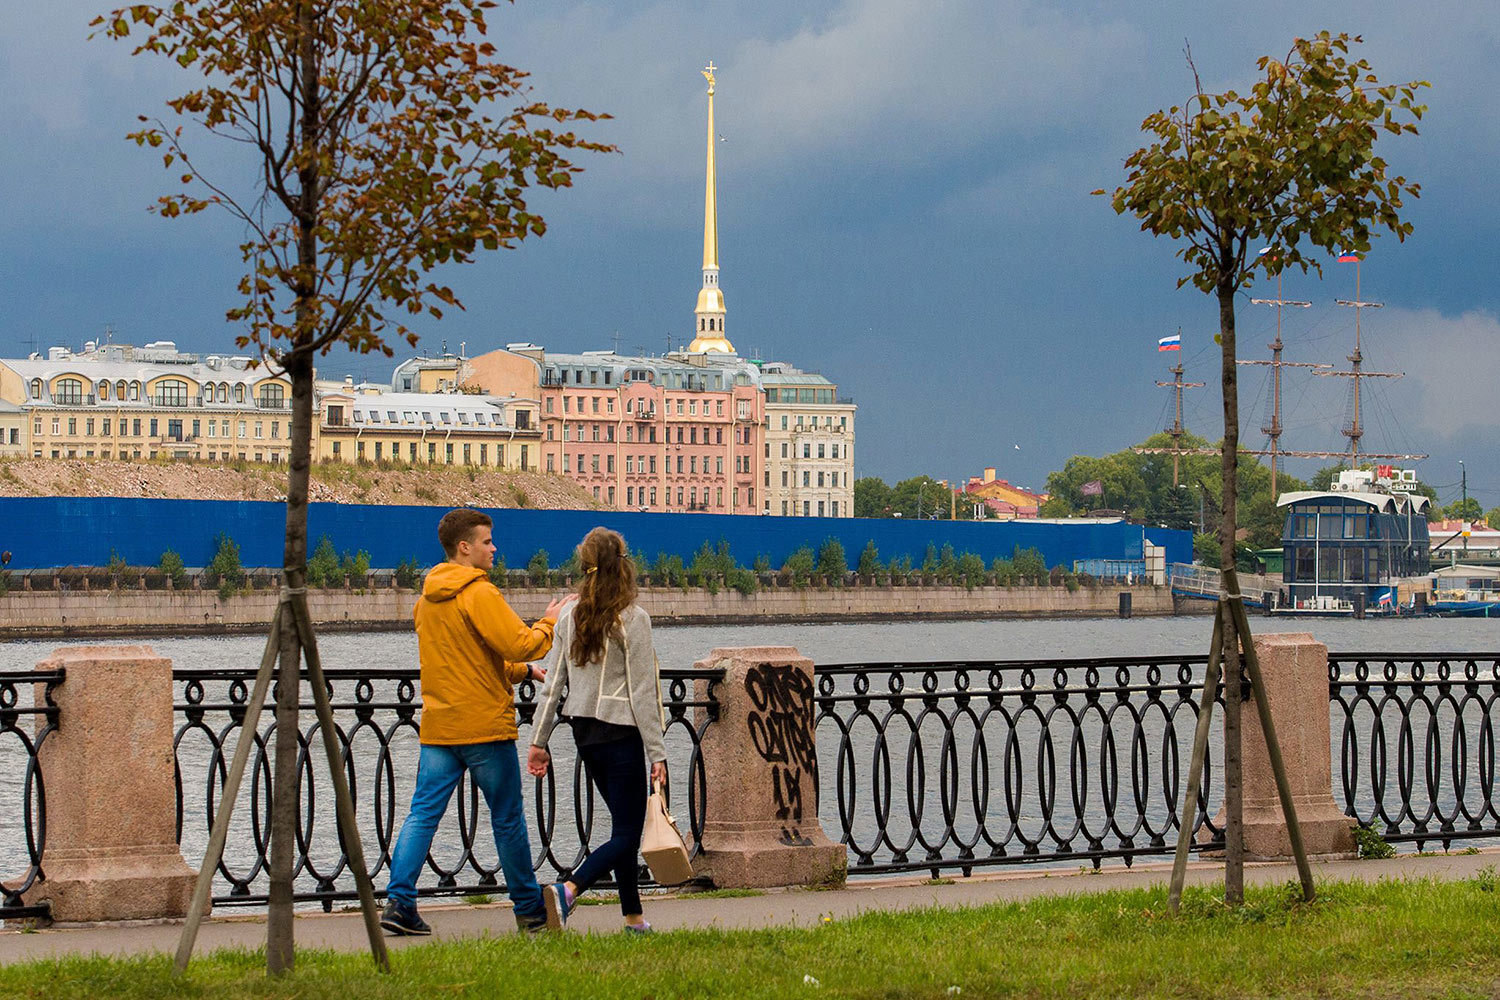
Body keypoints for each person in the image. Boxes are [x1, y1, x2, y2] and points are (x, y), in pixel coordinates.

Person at [381, 508, 574, 936]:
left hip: (439, 727)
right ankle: (529, 912)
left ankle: (399, 902)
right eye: (487, 541)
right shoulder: (479, 593)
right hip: (485, 727)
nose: (494, 548)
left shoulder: (426, 601)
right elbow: (520, 643)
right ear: (464, 547)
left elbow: (467, 658)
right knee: (506, 819)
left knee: (422, 815)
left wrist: (521, 674)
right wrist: (550, 622)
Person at [528, 527, 667, 934]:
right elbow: (644, 691)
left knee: (620, 827)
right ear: (623, 566)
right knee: (628, 832)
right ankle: (569, 889)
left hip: (584, 733)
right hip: (620, 733)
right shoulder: (633, 619)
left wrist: (538, 742)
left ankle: (634, 919)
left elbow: (553, 684)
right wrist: (658, 752)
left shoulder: (569, 616)